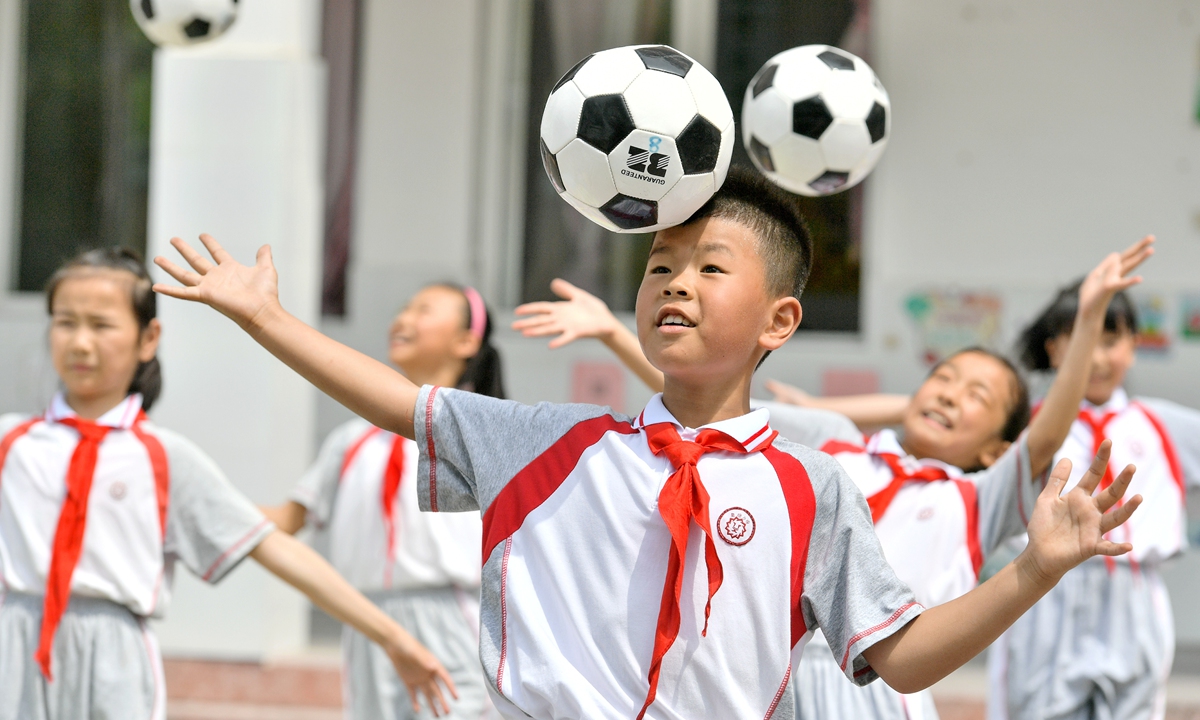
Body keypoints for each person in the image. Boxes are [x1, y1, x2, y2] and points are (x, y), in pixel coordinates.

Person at [154, 169, 1141, 720]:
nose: (676, 281)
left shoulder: (810, 486)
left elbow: (905, 657)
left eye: (713, 266)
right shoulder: (557, 446)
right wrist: (267, 322)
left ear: (780, 320)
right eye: (662, 263)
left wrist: (1035, 572)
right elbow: (404, 404)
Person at [514, 237, 1154, 720]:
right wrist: (612, 334)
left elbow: (1044, 434)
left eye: (978, 396)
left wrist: (1089, 315)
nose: (952, 395)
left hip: (885, 685)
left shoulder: (977, 498)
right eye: (944, 379)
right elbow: (705, 391)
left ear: (995, 447)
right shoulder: (833, 447)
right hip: (793, 674)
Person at [0, 248, 456, 720]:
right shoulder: (11, 442)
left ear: (148, 337)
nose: (80, 343)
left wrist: (393, 638)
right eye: (65, 322)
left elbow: (274, 548)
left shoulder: (164, 458)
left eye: (101, 325)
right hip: (12, 642)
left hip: (113, 659)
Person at [261, 283, 502, 720]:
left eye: (423, 309)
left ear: (466, 341)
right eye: (403, 307)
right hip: (367, 621)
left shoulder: (479, 429)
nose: (404, 318)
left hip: (447, 612)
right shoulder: (351, 440)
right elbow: (288, 519)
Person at [984, 280, 1200, 720]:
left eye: (1111, 340)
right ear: (1055, 350)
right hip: (1046, 587)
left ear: (1134, 346)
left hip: (1133, 593)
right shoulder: (1034, 426)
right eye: (1083, 340)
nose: (1098, 357)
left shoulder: (1161, 424)